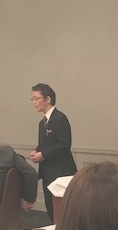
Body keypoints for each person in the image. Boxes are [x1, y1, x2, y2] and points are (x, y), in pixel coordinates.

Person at [29, 83, 77, 222]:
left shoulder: (60, 119)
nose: (34, 102)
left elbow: (64, 144)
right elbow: (45, 144)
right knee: (51, 211)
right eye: (32, 99)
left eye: (36, 98)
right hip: (47, 173)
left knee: (64, 212)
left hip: (61, 173)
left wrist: (43, 155)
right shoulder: (42, 123)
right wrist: (36, 151)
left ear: (48, 99)